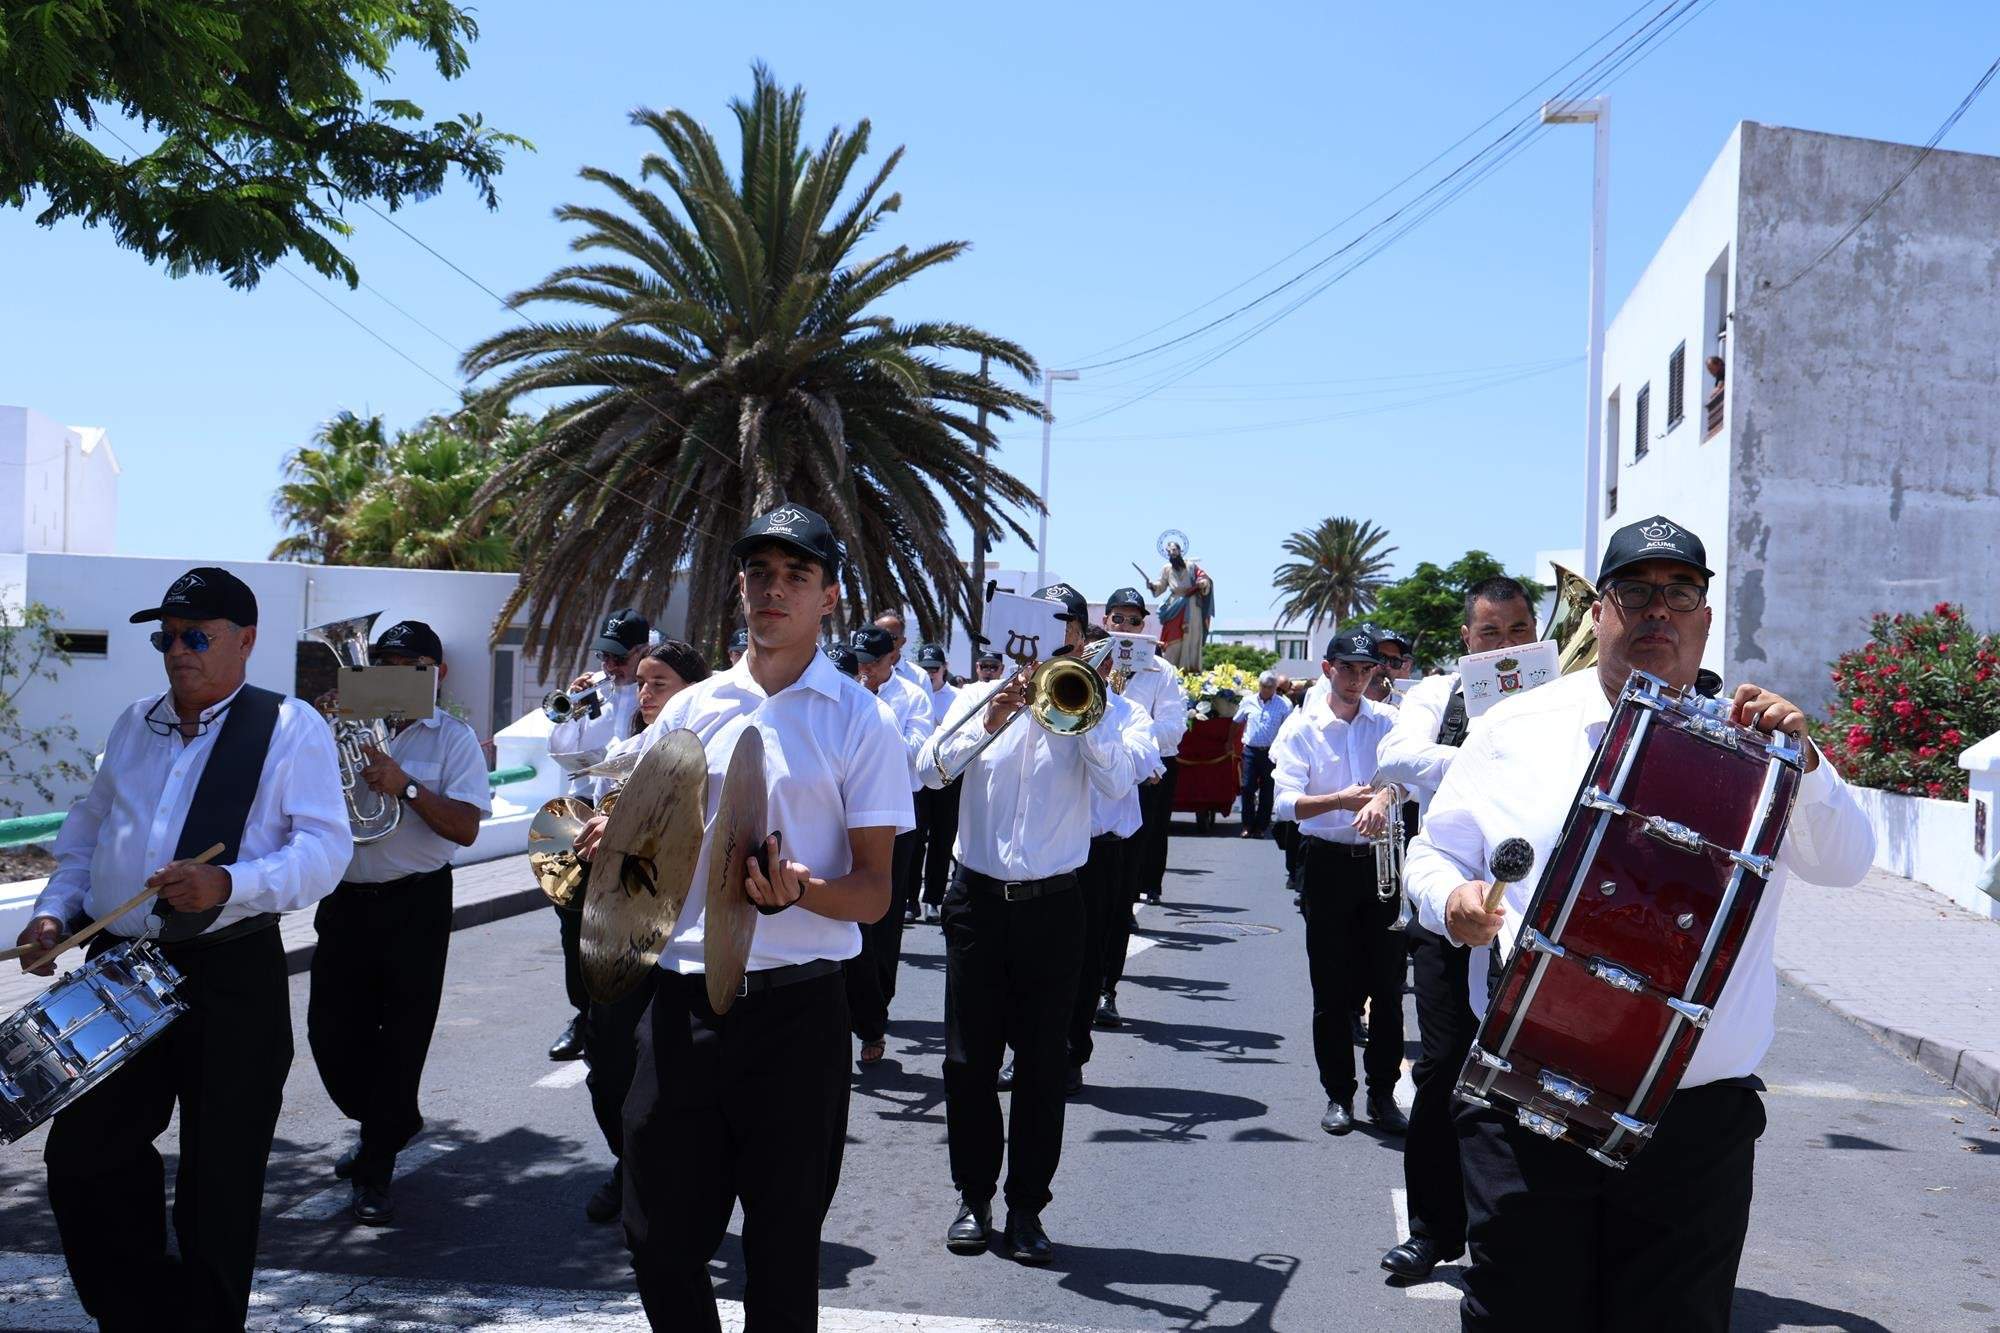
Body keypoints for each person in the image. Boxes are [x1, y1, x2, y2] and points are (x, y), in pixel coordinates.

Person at [1406, 515, 1874, 1331]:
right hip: (1528, 1097)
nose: (1658, 609)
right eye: (1634, 591)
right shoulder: (1512, 728)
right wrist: (1451, 899)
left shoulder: (1763, 747)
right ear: (1599, 613)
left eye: (1680, 592)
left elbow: (1847, 861)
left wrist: (1808, 762)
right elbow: (1433, 850)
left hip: (1692, 1124)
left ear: (1705, 617)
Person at [14, 567, 350, 1330]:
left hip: (230, 968)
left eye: (196, 635)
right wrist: (53, 913)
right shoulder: (134, 721)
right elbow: (86, 834)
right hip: (119, 970)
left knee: (220, 1182)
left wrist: (228, 882)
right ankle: (140, 1313)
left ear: (246, 640)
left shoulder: (288, 726)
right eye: (166, 637)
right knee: (83, 1157)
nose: (177, 650)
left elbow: (325, 851)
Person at [606, 504, 911, 1331]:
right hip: (683, 1006)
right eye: (758, 572)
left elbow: (874, 891)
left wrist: (801, 890)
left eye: (795, 575)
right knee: (656, 1239)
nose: (773, 588)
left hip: (797, 1016)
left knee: (781, 1257)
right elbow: (644, 851)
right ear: (740, 587)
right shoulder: (690, 709)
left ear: (829, 597)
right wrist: (611, 844)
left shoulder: (861, 720)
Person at [920, 583, 1136, 1265]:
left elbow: (1119, 785)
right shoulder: (977, 695)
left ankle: (1026, 1208)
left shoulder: (1098, 704)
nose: (1053, 637)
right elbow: (929, 769)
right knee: (967, 1062)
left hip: (1053, 905)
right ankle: (973, 1197)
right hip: (977, 901)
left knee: (1043, 1065)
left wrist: (1084, 717)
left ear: (1077, 638)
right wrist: (990, 718)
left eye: (1065, 627)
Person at [1372, 578, 1536, 1281]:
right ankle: (1433, 1229)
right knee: (1443, 1067)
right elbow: (1394, 758)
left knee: (1528, 1075)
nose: (1505, 645)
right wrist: (1486, 753)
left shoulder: (1562, 703)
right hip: (1446, 908)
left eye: (1519, 631)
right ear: (1467, 639)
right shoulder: (1437, 694)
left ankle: (1518, 1227)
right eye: (1490, 633)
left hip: (1530, 912)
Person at [307, 619, 489, 1227]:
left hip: (416, 903)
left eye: (411, 667)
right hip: (345, 901)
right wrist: (316, 729)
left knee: (401, 1037)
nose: (395, 676)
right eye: (383, 665)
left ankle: (376, 1165)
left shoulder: (453, 738)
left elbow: (466, 828)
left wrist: (405, 786)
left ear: (437, 674)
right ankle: (391, 1121)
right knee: (329, 1035)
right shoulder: (344, 727)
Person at [580, 640, 711, 1225]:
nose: (645, 694)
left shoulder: (709, 748)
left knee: (664, 1068)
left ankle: (655, 1181)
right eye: (640, 683)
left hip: (679, 933)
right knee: (606, 1062)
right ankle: (626, 1160)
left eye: (660, 684)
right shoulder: (624, 750)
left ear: (692, 692)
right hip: (619, 924)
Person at [1270, 629, 1406, 1137]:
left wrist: (1384, 797)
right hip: (1326, 862)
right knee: (1330, 987)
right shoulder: (1301, 728)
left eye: (1366, 670)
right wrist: (1340, 802)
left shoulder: (1390, 721)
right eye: (1348, 668)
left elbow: (1412, 776)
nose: (1357, 679)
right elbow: (1285, 804)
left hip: (1380, 862)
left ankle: (1383, 1093)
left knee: (1388, 987)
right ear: (1328, 669)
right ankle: (1338, 1094)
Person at [545, 606, 651, 1062]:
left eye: (619, 658)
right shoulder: (594, 695)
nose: (609, 666)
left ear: (642, 651)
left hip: (629, 821)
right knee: (572, 921)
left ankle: (626, 1015)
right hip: (581, 815)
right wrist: (572, 712)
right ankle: (583, 1014)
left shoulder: (655, 692)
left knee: (625, 924)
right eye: (604, 656)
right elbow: (559, 751)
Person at [1067, 622, 1161, 1093]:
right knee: (1037, 958)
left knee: (1086, 960)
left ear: (1108, 667)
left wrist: (1094, 719)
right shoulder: (1044, 704)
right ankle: (1025, 1053)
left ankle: (1070, 1055)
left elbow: (1137, 767)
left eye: (1097, 660)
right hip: (1050, 849)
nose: (1090, 666)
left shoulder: (1130, 714)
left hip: (1101, 851)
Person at [845, 624, 934, 1066]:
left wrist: (872, 711)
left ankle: (876, 1008)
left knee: (883, 916)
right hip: (846, 812)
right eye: (858, 662)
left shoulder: (912, 697)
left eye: (871, 663)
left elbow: (916, 753)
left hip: (895, 816)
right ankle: (852, 1011)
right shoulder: (843, 691)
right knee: (845, 916)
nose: (863, 670)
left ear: (890, 660)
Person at [1105, 588, 1186, 907]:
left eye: (1134, 621)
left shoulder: (1162, 670)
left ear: (1143, 627)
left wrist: (1131, 737)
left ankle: (1142, 890)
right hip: (1101, 760)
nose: (1125, 626)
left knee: (1146, 834)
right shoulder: (1091, 661)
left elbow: (1173, 728)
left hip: (1148, 765)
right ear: (1106, 620)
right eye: (1118, 618)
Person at [913, 642, 962, 924]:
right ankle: (911, 899)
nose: (930, 673)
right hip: (918, 776)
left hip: (948, 776)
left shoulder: (957, 697)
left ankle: (933, 899)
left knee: (942, 840)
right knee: (916, 839)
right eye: (926, 668)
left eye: (935, 668)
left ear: (945, 668)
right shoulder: (914, 695)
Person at [1233, 670, 1291, 838]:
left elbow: (1288, 730)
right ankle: (1247, 825)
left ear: (1275, 687)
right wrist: (1230, 742)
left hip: (1271, 753)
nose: (1266, 689)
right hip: (1250, 751)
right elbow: (1236, 722)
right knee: (1247, 787)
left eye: (1270, 687)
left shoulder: (1284, 705)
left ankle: (1261, 827)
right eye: (1264, 686)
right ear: (1259, 685)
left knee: (1267, 790)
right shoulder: (1248, 701)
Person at [1140, 541, 1212, 672]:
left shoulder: (1191, 566)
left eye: (1174, 550)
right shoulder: (1167, 569)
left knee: (1191, 634)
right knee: (1172, 635)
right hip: (1174, 605)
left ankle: (1190, 669)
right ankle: (1170, 668)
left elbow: (1203, 577)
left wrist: (1203, 582)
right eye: (1169, 551)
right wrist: (1152, 586)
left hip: (1192, 604)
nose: (1172, 553)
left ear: (1180, 551)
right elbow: (1160, 586)